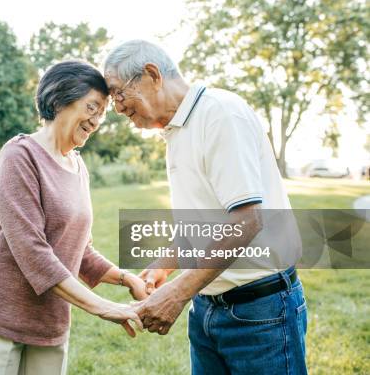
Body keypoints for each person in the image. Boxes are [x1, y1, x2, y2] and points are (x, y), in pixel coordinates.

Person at [103, 40, 308, 374]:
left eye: (118, 93)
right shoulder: (175, 130)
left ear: (152, 75)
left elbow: (247, 220)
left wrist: (175, 295)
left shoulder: (219, 114)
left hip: (260, 313)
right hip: (207, 309)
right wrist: (163, 266)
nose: (117, 107)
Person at [0, 60, 146, 375]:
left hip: (49, 323)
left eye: (102, 113)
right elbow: (33, 252)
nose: (96, 121)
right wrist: (105, 307)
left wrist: (127, 278)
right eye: (92, 107)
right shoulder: (20, 155)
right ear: (59, 100)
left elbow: (79, 248)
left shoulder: (78, 166)